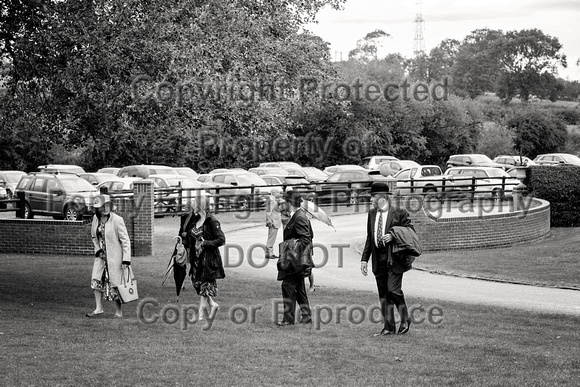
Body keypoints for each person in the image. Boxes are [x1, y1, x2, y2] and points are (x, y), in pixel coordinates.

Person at [361, 182, 414, 336]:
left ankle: (405, 318)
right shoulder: (371, 214)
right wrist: (364, 259)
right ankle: (388, 327)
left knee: (393, 290)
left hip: (394, 259)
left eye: (373, 196)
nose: (371, 199)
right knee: (384, 295)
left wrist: (393, 235)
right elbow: (370, 238)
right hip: (379, 260)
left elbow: (410, 231)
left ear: (382, 197)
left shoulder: (399, 213)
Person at [87, 194, 131, 318]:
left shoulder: (117, 220)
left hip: (115, 257)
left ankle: (118, 311)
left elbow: (125, 241)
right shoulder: (95, 220)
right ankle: (98, 308)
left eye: (108, 205)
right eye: (103, 206)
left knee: (114, 283)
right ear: (97, 208)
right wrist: (98, 250)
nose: (106, 208)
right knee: (96, 280)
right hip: (101, 257)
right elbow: (94, 237)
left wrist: (126, 259)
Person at [276, 191, 314, 326]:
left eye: (284, 201)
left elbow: (306, 240)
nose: (282, 203)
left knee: (287, 286)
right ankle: (306, 317)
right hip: (296, 260)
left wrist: (290, 247)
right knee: (299, 288)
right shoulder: (296, 216)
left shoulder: (299, 217)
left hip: (295, 261)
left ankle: (288, 319)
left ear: (289, 202)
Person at [188, 195, 226, 319]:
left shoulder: (212, 221)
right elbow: (191, 236)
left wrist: (205, 243)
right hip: (196, 258)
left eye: (194, 204)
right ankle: (213, 305)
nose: (192, 206)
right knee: (197, 284)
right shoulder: (195, 220)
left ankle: (200, 314)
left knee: (204, 285)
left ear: (200, 205)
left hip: (208, 259)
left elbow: (221, 239)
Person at [265, 187, 283, 259]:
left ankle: (270, 252)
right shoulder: (272, 200)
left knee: (272, 237)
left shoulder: (273, 200)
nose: (279, 194)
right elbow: (268, 211)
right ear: (273, 193)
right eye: (277, 192)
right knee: (271, 238)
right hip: (273, 221)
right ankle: (269, 253)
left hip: (274, 221)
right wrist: (269, 220)